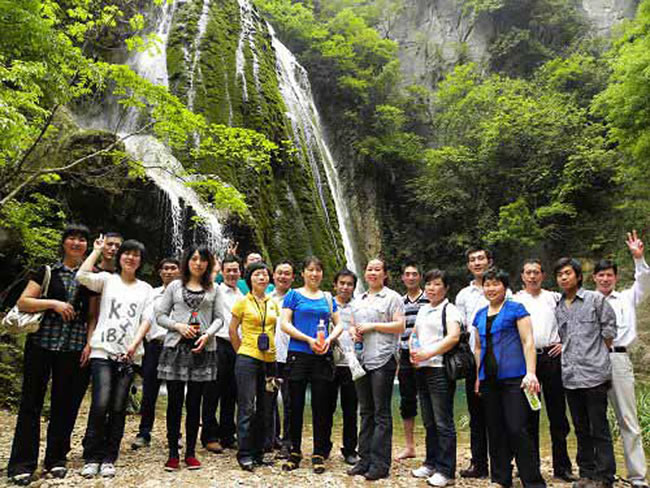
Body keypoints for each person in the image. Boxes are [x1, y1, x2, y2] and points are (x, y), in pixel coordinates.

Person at [7, 224, 94, 485]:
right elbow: (23, 301)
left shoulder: (90, 277)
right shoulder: (46, 271)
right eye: (72, 238)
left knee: (64, 405)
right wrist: (54, 303)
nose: (76, 243)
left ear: (87, 246)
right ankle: (22, 464)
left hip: (73, 347)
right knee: (30, 403)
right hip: (41, 343)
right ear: (64, 242)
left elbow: (92, 315)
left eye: (82, 239)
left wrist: (90, 344)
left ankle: (56, 459)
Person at [77, 236, 154, 479]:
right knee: (101, 403)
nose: (131, 258)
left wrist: (134, 345)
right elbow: (82, 276)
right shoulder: (107, 280)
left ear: (141, 261)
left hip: (128, 354)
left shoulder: (146, 289)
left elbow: (147, 320)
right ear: (120, 257)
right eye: (127, 253)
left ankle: (110, 457)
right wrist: (96, 251)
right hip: (102, 349)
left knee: (119, 406)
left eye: (136, 255)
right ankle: (92, 456)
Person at [474, 268, 546, 488]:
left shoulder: (516, 309)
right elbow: (478, 347)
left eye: (496, 284)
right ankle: (500, 478)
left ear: (505, 287)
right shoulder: (479, 314)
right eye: (487, 284)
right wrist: (478, 376)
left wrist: (531, 373)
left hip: (515, 378)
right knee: (495, 430)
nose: (491, 288)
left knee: (517, 428)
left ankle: (533, 482)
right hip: (489, 380)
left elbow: (528, 341)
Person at [155, 245, 223, 471]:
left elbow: (219, 318)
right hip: (176, 349)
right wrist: (178, 326)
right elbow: (160, 315)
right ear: (187, 261)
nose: (198, 263)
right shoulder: (175, 286)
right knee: (174, 402)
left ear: (208, 264)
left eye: (203, 259)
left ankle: (191, 453)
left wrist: (208, 335)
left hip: (202, 349)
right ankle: (173, 453)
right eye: (194, 258)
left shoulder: (214, 288)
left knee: (194, 403)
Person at [592, 231, 649, 488]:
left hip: (619, 359)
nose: (605, 279)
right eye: (601, 275)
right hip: (591, 362)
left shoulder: (627, 297)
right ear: (594, 278)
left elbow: (644, 282)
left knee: (628, 418)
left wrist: (638, 258)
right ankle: (602, 473)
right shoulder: (587, 300)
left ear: (615, 278)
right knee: (595, 419)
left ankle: (637, 476)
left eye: (609, 275)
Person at [555, 258, 617, 488]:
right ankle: (586, 474)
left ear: (579, 276)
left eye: (568, 273)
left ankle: (604, 477)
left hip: (594, 374)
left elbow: (609, 331)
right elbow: (564, 337)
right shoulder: (559, 305)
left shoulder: (595, 299)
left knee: (599, 427)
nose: (563, 277)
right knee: (580, 428)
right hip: (570, 376)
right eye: (560, 274)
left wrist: (596, 357)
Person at [280, 256, 344, 474]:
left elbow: (339, 324)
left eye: (318, 270)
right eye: (310, 270)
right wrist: (308, 339)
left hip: (322, 356)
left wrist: (329, 339)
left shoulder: (327, 297)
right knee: (295, 404)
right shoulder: (293, 295)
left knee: (321, 405)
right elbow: (284, 323)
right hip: (298, 354)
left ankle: (318, 452)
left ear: (322, 274)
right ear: (303, 273)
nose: (314, 274)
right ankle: (294, 451)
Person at [514, 259, 575, 482]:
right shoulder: (515, 300)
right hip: (526, 361)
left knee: (558, 415)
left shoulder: (554, 298)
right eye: (528, 272)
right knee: (529, 415)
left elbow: (572, 322)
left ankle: (562, 467)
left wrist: (565, 343)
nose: (532, 276)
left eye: (536, 272)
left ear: (543, 275)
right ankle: (530, 466)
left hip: (552, 358)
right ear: (522, 276)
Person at [349, 258, 405, 481]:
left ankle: (380, 464)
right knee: (365, 411)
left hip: (383, 358)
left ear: (385, 274)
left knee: (381, 412)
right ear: (365, 273)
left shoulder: (392, 297)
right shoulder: (358, 299)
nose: (373, 273)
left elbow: (399, 325)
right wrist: (353, 332)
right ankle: (364, 460)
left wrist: (373, 326)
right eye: (370, 269)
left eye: (377, 269)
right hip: (362, 359)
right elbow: (352, 324)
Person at [409, 269, 461, 487]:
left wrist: (428, 353)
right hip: (422, 368)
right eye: (429, 284)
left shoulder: (450, 309)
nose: (431, 288)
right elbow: (415, 334)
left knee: (443, 422)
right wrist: (413, 351)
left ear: (446, 288)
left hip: (439, 369)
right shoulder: (423, 309)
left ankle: (446, 471)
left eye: (437, 284)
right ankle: (431, 463)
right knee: (429, 420)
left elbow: (453, 337)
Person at [229, 262, 281, 471]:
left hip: (270, 360)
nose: (262, 278)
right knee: (247, 406)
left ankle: (259, 452)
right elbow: (233, 330)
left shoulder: (273, 303)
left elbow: (275, 329)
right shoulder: (242, 302)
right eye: (257, 274)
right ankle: (244, 453)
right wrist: (242, 352)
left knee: (266, 407)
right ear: (249, 279)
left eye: (265, 275)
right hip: (248, 359)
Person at [454, 246, 498, 479]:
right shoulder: (464, 295)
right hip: (473, 358)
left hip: (500, 359)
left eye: (481, 258)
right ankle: (478, 463)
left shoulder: (502, 289)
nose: (477, 263)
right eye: (473, 260)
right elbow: (460, 328)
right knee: (476, 414)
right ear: (468, 265)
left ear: (489, 261)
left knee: (499, 413)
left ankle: (501, 463)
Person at [131, 258, 181, 449]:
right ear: (160, 272)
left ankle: (174, 435)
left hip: (177, 347)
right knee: (149, 391)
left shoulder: (185, 294)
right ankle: (144, 433)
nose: (169, 271)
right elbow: (144, 319)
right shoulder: (151, 294)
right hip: (154, 346)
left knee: (176, 393)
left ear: (179, 271)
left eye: (173, 268)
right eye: (165, 268)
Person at [205, 253, 244, 451]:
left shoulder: (242, 295)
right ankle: (209, 435)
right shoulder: (215, 289)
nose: (232, 274)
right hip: (217, 343)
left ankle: (228, 434)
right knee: (213, 390)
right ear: (222, 272)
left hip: (238, 345)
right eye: (228, 270)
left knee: (232, 391)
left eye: (235, 270)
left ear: (240, 272)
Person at [396, 262, 428, 461]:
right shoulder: (399, 302)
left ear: (420, 277)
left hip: (427, 355)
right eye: (407, 274)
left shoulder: (430, 299)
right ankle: (409, 446)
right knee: (407, 400)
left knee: (428, 399)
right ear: (402, 278)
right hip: (405, 355)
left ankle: (431, 445)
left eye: (414, 274)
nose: (410, 277)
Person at [327, 268, 360, 466]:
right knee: (326, 407)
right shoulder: (326, 304)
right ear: (335, 285)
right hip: (329, 362)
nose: (345, 287)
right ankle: (323, 447)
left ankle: (350, 449)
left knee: (350, 408)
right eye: (342, 283)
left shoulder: (359, 307)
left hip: (351, 363)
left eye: (349, 284)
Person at [268, 260, 296, 457]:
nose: (283, 277)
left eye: (287, 273)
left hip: (290, 356)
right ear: (274, 276)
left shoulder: (297, 299)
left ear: (293, 277)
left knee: (289, 402)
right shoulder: (266, 298)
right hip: (269, 356)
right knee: (269, 399)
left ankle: (288, 442)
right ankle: (271, 438)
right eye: (280, 273)